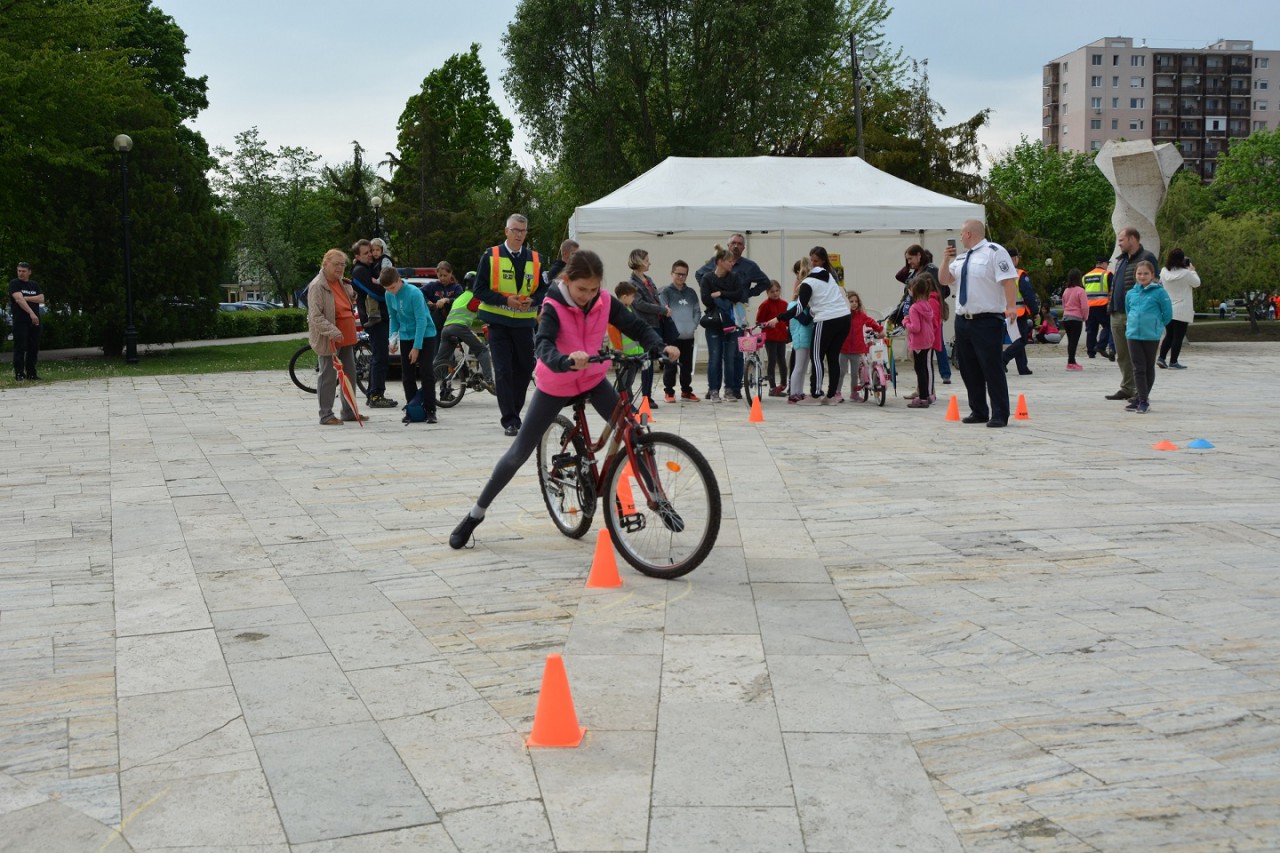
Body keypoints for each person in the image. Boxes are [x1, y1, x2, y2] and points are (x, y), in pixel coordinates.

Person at [449, 250, 679, 549]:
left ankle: (659, 500)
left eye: (594, 288)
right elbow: (543, 344)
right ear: (567, 281)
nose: (588, 295)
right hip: (556, 382)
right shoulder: (553, 305)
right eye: (582, 289)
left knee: (634, 433)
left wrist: (660, 346)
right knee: (518, 452)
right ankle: (474, 515)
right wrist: (563, 360)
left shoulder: (604, 300)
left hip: (593, 378)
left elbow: (635, 326)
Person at [939, 219, 1018, 428]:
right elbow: (945, 280)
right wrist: (946, 260)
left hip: (987, 319)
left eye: (961, 233)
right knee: (968, 368)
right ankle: (979, 410)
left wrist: (1011, 306)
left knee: (991, 367)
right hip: (963, 319)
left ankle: (1000, 413)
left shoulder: (994, 251)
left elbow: (1009, 279)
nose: (959, 237)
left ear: (969, 233)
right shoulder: (962, 257)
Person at [473, 213, 544, 436]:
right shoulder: (490, 255)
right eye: (515, 230)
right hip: (498, 323)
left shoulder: (535, 258)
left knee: (524, 368)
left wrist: (535, 299)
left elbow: (543, 289)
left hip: (524, 323)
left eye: (523, 231)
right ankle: (510, 420)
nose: (519, 235)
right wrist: (505, 300)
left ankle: (515, 410)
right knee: (503, 371)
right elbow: (479, 290)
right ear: (506, 231)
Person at [766, 246, 850, 405]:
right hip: (844, 318)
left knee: (817, 356)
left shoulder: (807, 283)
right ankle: (831, 396)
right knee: (832, 357)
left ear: (799, 277)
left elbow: (798, 309)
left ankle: (816, 395)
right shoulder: (829, 276)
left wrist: (778, 319)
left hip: (826, 319)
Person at [306, 249, 368, 425]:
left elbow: (343, 305)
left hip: (346, 336)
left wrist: (351, 294)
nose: (340, 268)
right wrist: (333, 331)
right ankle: (326, 415)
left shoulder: (341, 282)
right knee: (328, 376)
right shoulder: (318, 285)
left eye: (343, 265)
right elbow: (315, 316)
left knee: (349, 375)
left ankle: (348, 411)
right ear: (325, 263)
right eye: (336, 264)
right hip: (330, 338)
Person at [1106, 227, 1159, 404]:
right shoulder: (1121, 260)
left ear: (1133, 239)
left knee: (1139, 358)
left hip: (1136, 317)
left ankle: (1140, 392)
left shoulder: (1147, 258)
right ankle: (1127, 388)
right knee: (1122, 355)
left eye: (1121, 240)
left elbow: (1154, 287)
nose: (1119, 243)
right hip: (1117, 312)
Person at [383, 267, 438, 424]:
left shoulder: (414, 293)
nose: (391, 291)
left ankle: (430, 410)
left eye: (393, 287)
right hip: (406, 336)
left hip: (425, 335)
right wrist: (392, 339)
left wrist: (417, 347)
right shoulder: (388, 294)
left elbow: (421, 320)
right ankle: (412, 409)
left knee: (426, 372)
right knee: (407, 375)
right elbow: (393, 317)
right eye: (387, 289)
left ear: (399, 280)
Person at [349, 239, 396, 408]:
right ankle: (376, 395)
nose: (370, 255)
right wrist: (389, 291)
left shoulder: (370, 267)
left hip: (381, 318)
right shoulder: (359, 271)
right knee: (380, 357)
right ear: (357, 256)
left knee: (380, 357)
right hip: (374, 320)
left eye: (371, 251)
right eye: (366, 253)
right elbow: (376, 293)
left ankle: (373, 394)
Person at [1124, 260, 1173, 414]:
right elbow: (1128, 311)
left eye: (1146, 273)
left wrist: (1157, 326)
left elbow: (1168, 314)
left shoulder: (1160, 292)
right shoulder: (1131, 293)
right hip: (1133, 335)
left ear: (1152, 275)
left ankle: (1143, 399)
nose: (1142, 276)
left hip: (1151, 335)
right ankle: (1141, 399)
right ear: (1135, 275)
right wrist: (1131, 324)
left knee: (1148, 366)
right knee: (1138, 367)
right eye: (1139, 273)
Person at [896, 245, 950, 383]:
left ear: (919, 255)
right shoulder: (914, 271)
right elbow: (899, 276)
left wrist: (934, 300)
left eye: (910, 258)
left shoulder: (931, 270)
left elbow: (945, 289)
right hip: (916, 313)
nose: (909, 262)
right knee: (918, 355)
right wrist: (908, 265)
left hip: (929, 312)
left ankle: (942, 376)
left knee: (935, 345)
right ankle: (922, 388)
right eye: (907, 259)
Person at [699, 245, 745, 402]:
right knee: (715, 357)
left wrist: (720, 294)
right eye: (729, 261)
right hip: (714, 322)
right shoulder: (707, 278)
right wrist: (726, 297)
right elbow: (706, 299)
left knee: (730, 357)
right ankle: (713, 390)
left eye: (733, 261)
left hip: (732, 322)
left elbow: (739, 294)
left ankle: (729, 390)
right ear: (720, 261)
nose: (732, 263)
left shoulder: (734, 277)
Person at [433, 273, 495, 389]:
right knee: (482, 350)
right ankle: (489, 381)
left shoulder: (461, 297)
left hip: (446, 328)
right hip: (460, 328)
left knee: (440, 360)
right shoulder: (475, 297)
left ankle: (429, 384)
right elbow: (485, 314)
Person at [626, 249, 667, 407]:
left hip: (655, 324)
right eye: (647, 259)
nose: (649, 262)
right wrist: (662, 310)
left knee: (650, 361)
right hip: (643, 326)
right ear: (639, 261)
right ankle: (641, 396)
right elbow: (640, 304)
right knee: (643, 362)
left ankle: (647, 395)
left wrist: (663, 308)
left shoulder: (648, 279)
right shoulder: (632, 283)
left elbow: (655, 299)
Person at [658, 260, 701, 403]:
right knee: (670, 365)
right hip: (672, 336)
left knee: (686, 366)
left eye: (684, 274)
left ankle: (686, 391)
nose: (681, 277)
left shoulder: (691, 293)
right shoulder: (665, 292)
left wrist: (692, 326)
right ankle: (669, 392)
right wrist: (673, 329)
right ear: (672, 273)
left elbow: (697, 311)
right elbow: (664, 311)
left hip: (688, 336)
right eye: (678, 274)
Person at [1157, 249, 1201, 370]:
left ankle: (1161, 358)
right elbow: (1197, 283)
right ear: (1182, 260)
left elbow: (1161, 283)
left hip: (1168, 307)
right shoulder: (1186, 273)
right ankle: (1174, 361)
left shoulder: (1164, 271)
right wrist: (1192, 271)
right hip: (1181, 308)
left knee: (1169, 335)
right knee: (1178, 336)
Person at [1000, 249, 1037, 376]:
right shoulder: (1020, 274)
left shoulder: (997, 273)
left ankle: (1022, 367)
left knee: (1017, 339)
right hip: (1018, 313)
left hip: (1001, 312)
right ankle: (1003, 359)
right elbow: (1028, 295)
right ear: (1015, 259)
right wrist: (1035, 311)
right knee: (1022, 340)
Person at [903, 275, 938, 408]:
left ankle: (923, 397)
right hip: (928, 340)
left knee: (920, 370)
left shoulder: (914, 308)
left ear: (914, 291)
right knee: (924, 368)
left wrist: (906, 322)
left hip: (918, 342)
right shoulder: (927, 305)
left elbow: (915, 328)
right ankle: (928, 394)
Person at [843, 290, 882, 401]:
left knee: (855, 373)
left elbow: (871, 322)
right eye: (851, 301)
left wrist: (880, 329)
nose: (854, 303)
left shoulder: (861, 315)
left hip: (857, 349)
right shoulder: (842, 316)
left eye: (856, 301)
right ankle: (837, 392)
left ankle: (854, 393)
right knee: (840, 372)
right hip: (843, 348)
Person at [783, 267, 815, 404]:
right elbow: (805, 320)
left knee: (804, 368)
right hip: (801, 339)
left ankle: (800, 391)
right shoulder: (793, 306)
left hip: (808, 339)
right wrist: (811, 310)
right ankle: (793, 393)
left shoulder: (807, 307)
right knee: (798, 367)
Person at [9, 262, 44, 381]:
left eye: (23, 271)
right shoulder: (14, 283)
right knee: (20, 347)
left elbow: (41, 298)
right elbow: (19, 300)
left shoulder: (34, 285)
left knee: (33, 347)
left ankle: (31, 373)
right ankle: (19, 373)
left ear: (29, 272)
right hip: (21, 321)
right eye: (19, 271)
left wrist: (27, 298)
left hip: (34, 322)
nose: (21, 273)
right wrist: (31, 313)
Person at [755, 280, 790, 396]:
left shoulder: (785, 304)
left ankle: (783, 384)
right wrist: (766, 324)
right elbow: (759, 321)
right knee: (772, 361)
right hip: (770, 337)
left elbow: (788, 320)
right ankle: (772, 387)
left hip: (781, 336)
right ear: (767, 293)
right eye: (772, 292)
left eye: (777, 291)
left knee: (782, 361)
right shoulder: (765, 305)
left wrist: (788, 330)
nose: (775, 293)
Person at [1082, 255, 1114, 359]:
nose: (1107, 266)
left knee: (1091, 329)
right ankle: (1101, 345)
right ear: (1104, 263)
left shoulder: (1086, 276)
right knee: (1108, 326)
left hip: (1089, 306)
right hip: (1102, 305)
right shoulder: (1107, 274)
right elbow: (1112, 289)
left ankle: (1091, 352)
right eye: (1107, 264)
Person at [419, 261, 463, 334]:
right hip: (436, 325)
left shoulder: (456, 287)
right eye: (440, 275)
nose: (442, 278)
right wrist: (427, 301)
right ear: (437, 274)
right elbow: (419, 292)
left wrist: (447, 300)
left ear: (450, 273)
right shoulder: (433, 286)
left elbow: (460, 300)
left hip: (452, 323)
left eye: (445, 275)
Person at [1059, 268, 1089, 371]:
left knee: (1070, 340)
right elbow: (1084, 306)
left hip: (1066, 317)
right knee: (1074, 341)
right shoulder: (1081, 291)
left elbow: (1064, 303)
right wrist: (1085, 317)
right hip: (1076, 318)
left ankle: (1071, 361)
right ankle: (1071, 362)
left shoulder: (1066, 290)